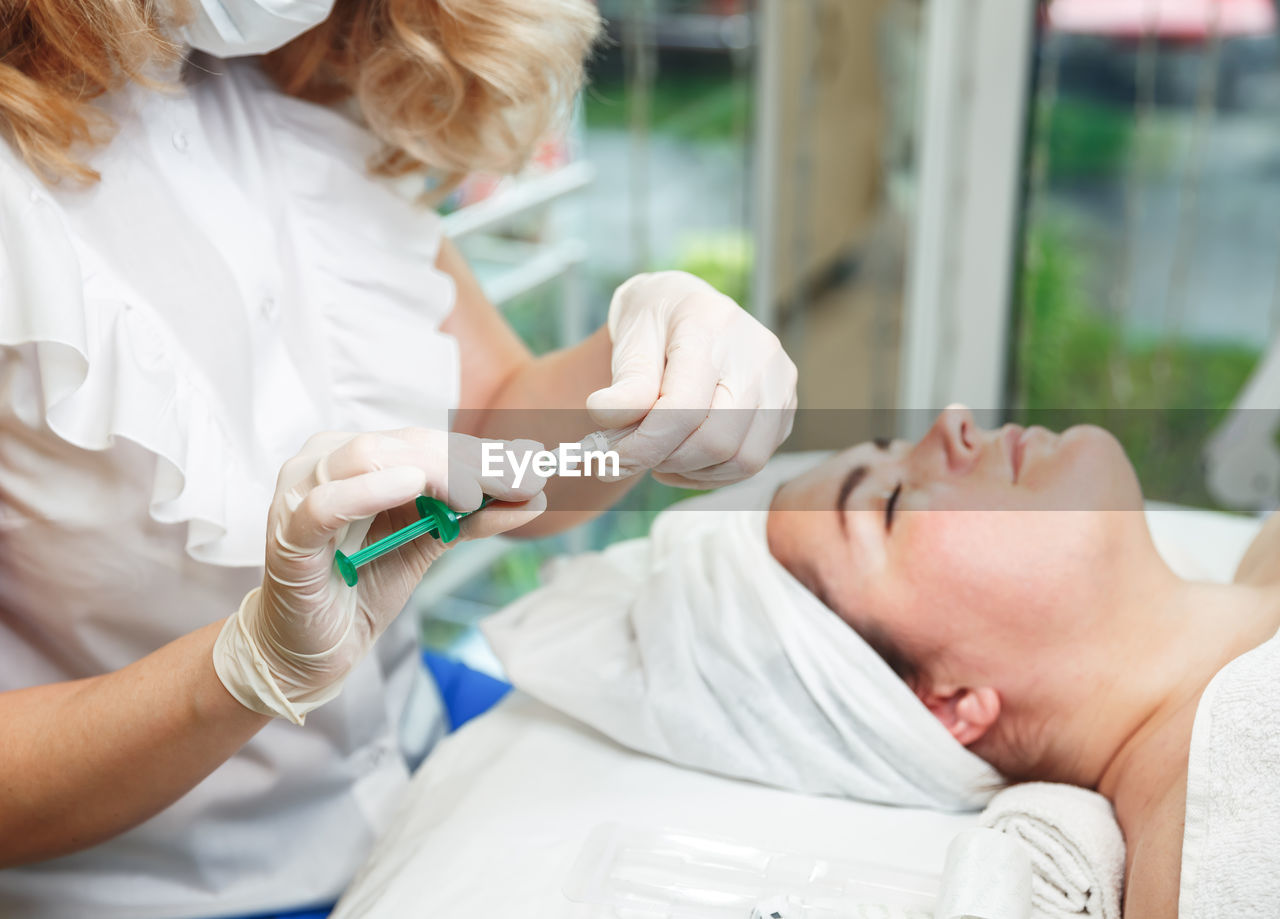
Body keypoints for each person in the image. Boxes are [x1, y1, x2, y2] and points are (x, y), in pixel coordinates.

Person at [0, 1, 798, 916]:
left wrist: (652, 358)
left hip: (432, 760)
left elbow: (494, 436)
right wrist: (243, 670)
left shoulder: (293, 86)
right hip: (178, 886)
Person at [767, 406, 1280, 918]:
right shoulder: (1218, 842)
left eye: (895, 447)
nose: (952, 421)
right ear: (951, 704)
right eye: (891, 505)